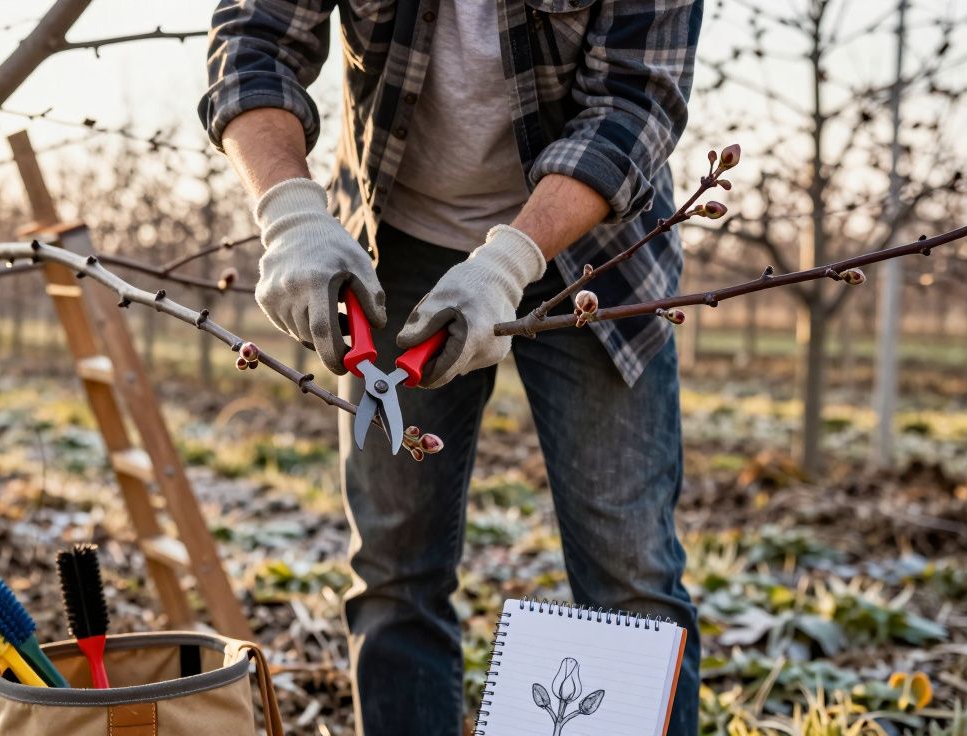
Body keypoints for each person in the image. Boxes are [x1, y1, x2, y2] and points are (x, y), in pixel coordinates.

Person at [200, 0, 703, 733]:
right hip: (395, 238)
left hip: (594, 251)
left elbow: (635, 102)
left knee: (631, 575)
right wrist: (290, 213)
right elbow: (254, 41)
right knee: (394, 566)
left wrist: (512, 260)